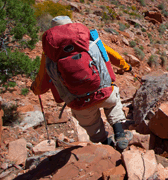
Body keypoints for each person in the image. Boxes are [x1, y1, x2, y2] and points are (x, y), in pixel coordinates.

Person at [31, 16, 132, 151]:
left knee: (91, 125)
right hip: (105, 92)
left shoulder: (49, 55)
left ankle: (108, 146)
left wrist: (35, 89)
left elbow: (42, 84)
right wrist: (126, 67)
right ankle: (120, 134)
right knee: (113, 104)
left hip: (78, 102)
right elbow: (112, 55)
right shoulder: (89, 40)